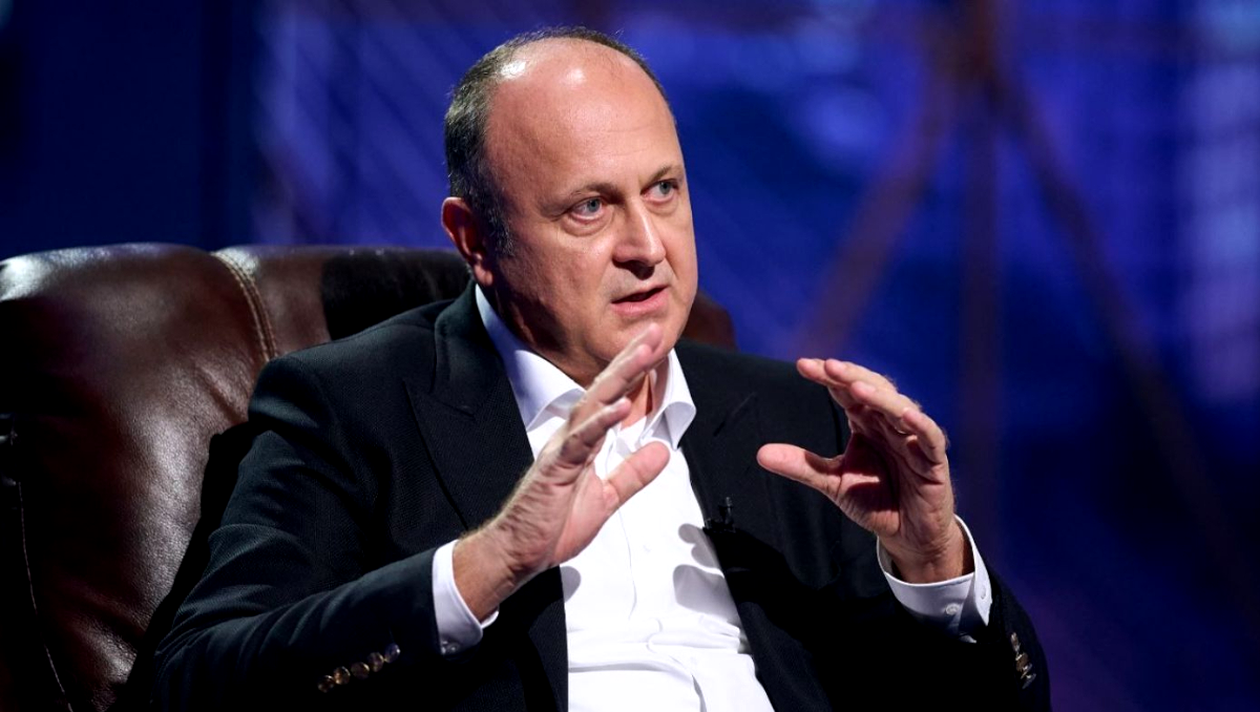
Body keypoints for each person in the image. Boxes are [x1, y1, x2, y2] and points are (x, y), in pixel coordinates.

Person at [153, 27, 1048, 710]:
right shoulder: (352, 406)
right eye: (590, 208)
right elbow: (194, 687)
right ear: (476, 241)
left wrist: (933, 563)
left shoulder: (793, 422)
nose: (648, 248)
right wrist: (489, 564)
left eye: (664, 190)